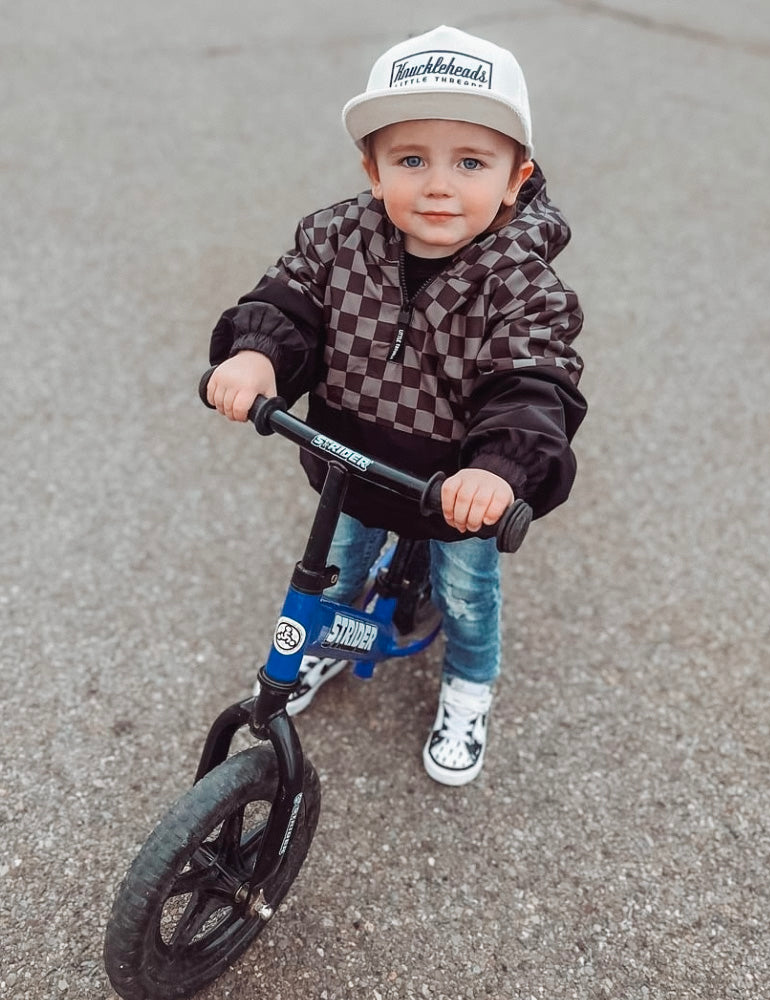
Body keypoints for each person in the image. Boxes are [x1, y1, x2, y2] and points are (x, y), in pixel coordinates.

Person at [205, 25, 586, 786]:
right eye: (411, 159)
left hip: (454, 489)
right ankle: (319, 648)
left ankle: (470, 684)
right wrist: (257, 353)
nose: (438, 185)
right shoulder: (337, 240)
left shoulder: (524, 287)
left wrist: (498, 470)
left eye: (470, 162)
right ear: (373, 170)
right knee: (334, 571)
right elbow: (290, 301)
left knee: (465, 594)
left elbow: (533, 387)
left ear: (516, 178)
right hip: (352, 458)